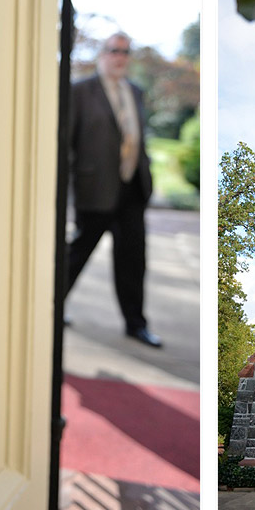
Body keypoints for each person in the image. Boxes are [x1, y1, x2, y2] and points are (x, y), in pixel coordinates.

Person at [66, 32, 160, 347]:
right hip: (95, 188)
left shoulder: (135, 91)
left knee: (133, 260)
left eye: (125, 52)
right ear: (102, 54)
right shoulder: (81, 91)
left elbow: (137, 137)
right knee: (77, 253)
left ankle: (136, 324)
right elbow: (67, 142)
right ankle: (52, 307)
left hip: (132, 188)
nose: (119, 57)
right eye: (114, 51)